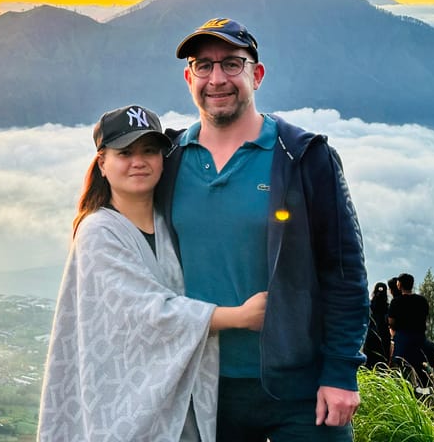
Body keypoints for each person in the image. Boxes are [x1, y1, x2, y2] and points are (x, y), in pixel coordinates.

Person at [157, 18, 369, 441]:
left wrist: (341, 373)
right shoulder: (169, 160)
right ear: (188, 78)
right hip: (205, 386)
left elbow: (344, 273)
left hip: (300, 389)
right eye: (203, 65)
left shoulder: (304, 157)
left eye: (232, 64)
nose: (217, 78)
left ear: (257, 74)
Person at [38, 104, 267, 442]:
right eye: (125, 152)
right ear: (102, 162)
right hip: (122, 402)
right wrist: (238, 317)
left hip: (176, 396)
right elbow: (145, 312)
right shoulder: (98, 231)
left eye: (149, 150)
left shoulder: (169, 223)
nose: (139, 161)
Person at [388, 272, 430, 380]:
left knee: (402, 368)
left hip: (403, 338)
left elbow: (391, 322)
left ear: (399, 285)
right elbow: (425, 319)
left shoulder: (396, 302)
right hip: (419, 338)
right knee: (418, 366)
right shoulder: (422, 301)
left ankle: (406, 392)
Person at [363, 282, 391, 368]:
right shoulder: (388, 307)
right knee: (382, 363)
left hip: (370, 335)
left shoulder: (369, 305)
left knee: (369, 363)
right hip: (384, 337)